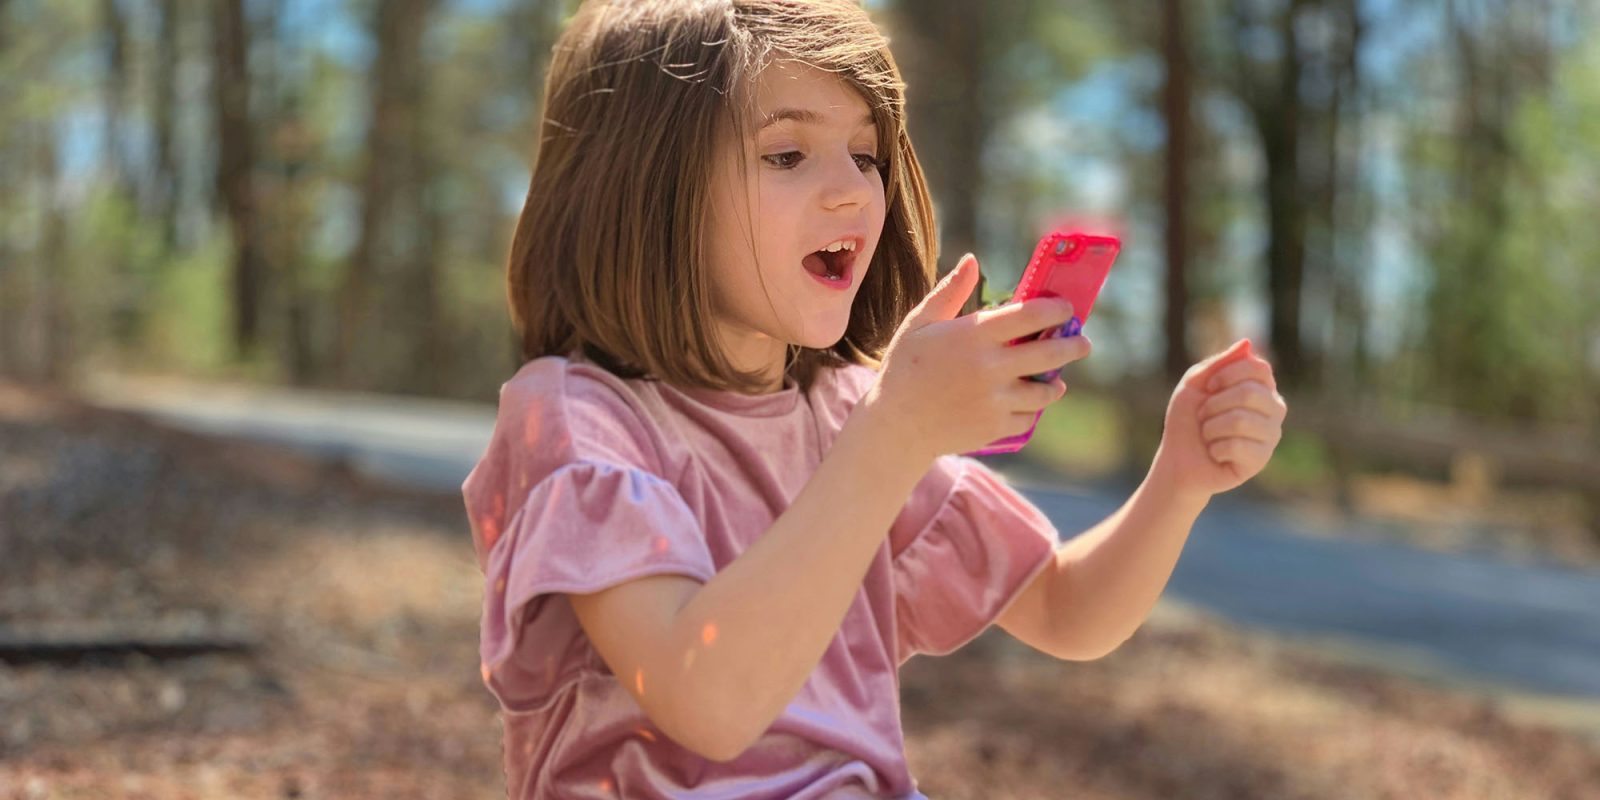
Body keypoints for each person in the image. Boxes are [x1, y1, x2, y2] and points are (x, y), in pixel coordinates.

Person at [461, 0, 1288, 797]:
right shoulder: (577, 422)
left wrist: (1179, 479)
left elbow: (1068, 609)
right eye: (787, 154)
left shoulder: (849, 414)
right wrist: (893, 434)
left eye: (865, 155)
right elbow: (706, 702)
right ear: (642, 186)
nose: (855, 192)